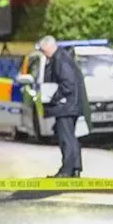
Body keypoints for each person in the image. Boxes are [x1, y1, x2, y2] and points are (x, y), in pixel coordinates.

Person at [36, 35, 87, 177]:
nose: (43, 53)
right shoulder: (63, 58)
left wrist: (53, 97)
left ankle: (67, 170)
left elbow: (68, 84)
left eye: (42, 50)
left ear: (48, 47)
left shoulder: (60, 60)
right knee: (71, 138)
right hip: (71, 105)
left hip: (66, 106)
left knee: (66, 139)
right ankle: (75, 169)